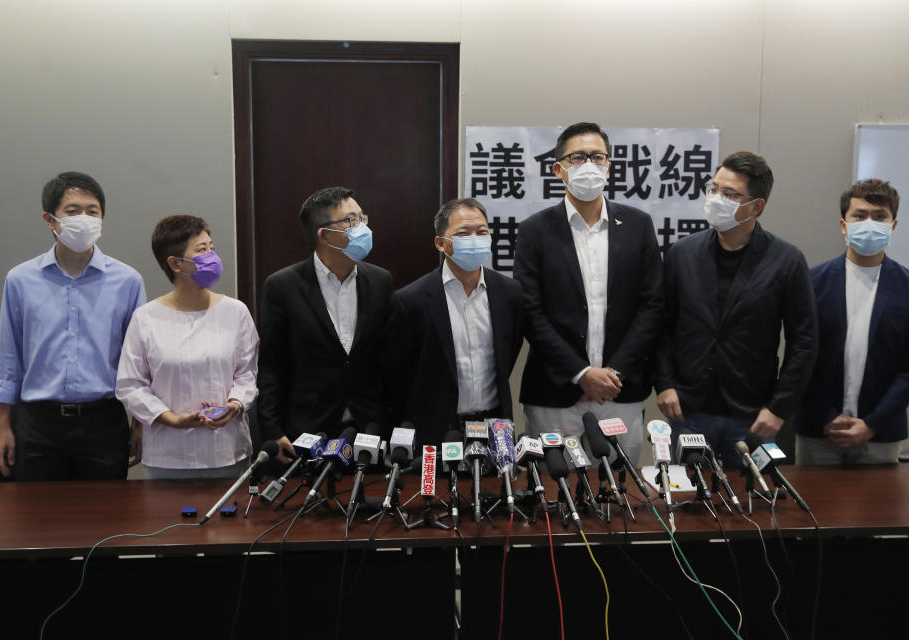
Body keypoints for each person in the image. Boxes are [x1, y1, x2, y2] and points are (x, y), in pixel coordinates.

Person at [513, 122, 664, 463]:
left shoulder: (638, 225)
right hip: (554, 392)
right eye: (578, 157)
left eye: (597, 157)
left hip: (620, 392)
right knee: (555, 495)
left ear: (609, 166)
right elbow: (529, 311)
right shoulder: (535, 231)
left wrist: (615, 373)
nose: (589, 165)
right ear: (558, 169)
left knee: (619, 495)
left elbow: (652, 305)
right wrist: (581, 373)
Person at [655, 151, 817, 468]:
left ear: (757, 206)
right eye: (714, 189)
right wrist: (664, 384)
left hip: (754, 414)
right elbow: (662, 326)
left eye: (730, 194)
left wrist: (780, 407)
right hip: (689, 410)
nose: (717, 198)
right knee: (690, 507)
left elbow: (804, 342)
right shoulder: (682, 253)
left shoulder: (786, 260)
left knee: (753, 508)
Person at [0, 171, 146, 480]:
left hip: (103, 421)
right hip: (38, 423)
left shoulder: (127, 281)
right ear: (50, 220)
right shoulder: (20, 280)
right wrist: (2, 424)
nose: (84, 219)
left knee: (107, 522)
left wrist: (140, 423)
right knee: (39, 521)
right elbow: (10, 358)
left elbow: (139, 361)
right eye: (73, 212)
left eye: (93, 211)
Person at [796, 179, 909, 465]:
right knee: (813, 509)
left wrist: (871, 424)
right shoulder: (811, 281)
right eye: (860, 215)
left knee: (879, 511)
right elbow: (800, 357)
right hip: (818, 431)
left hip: (879, 435)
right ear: (844, 225)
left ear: (893, 226)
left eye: (879, 216)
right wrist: (827, 416)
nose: (869, 222)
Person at [115, 216, 259, 479]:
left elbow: (246, 373)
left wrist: (235, 404)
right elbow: (130, 385)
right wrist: (169, 417)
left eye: (212, 247)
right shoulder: (146, 318)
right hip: (168, 455)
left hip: (227, 450)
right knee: (168, 519)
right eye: (201, 250)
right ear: (176, 263)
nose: (212, 256)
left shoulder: (235, 312)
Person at [258, 187, 393, 460]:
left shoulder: (381, 281)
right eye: (351, 221)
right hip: (308, 430)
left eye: (362, 218)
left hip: (369, 429)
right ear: (324, 234)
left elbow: (389, 359)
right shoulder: (283, 286)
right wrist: (272, 428)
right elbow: (272, 365)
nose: (362, 228)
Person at [386, 198, 524, 446]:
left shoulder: (510, 293)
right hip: (435, 430)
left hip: (495, 427)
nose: (475, 238)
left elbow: (508, 355)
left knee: (497, 486)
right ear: (440, 243)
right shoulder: (410, 300)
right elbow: (397, 375)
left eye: (482, 232)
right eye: (463, 233)